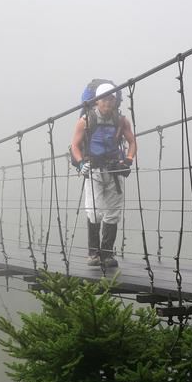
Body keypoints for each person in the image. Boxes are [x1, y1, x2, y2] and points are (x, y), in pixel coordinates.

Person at [70, 81, 137, 267]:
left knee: (113, 213)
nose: (108, 103)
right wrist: (81, 163)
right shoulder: (86, 120)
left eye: (111, 99)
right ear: (97, 101)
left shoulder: (121, 120)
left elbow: (132, 142)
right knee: (94, 211)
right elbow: (74, 145)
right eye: (105, 99)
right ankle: (93, 254)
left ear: (116, 101)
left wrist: (129, 160)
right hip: (94, 170)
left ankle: (106, 254)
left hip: (115, 170)